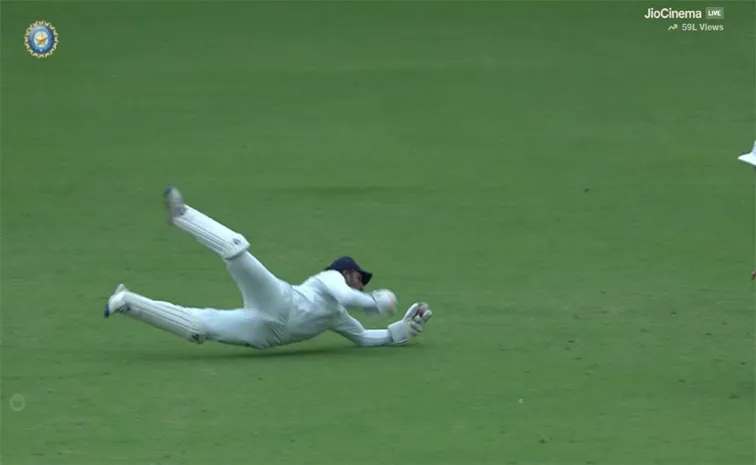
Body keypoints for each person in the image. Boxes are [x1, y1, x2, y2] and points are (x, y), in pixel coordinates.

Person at [104, 186, 433, 349]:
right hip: (280, 300)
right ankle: (183, 215)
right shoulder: (329, 279)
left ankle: (127, 303)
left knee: (199, 327)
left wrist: (398, 332)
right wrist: (373, 301)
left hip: (268, 335)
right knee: (236, 247)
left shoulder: (337, 317)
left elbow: (362, 339)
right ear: (348, 274)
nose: (362, 285)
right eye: (360, 280)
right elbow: (348, 297)